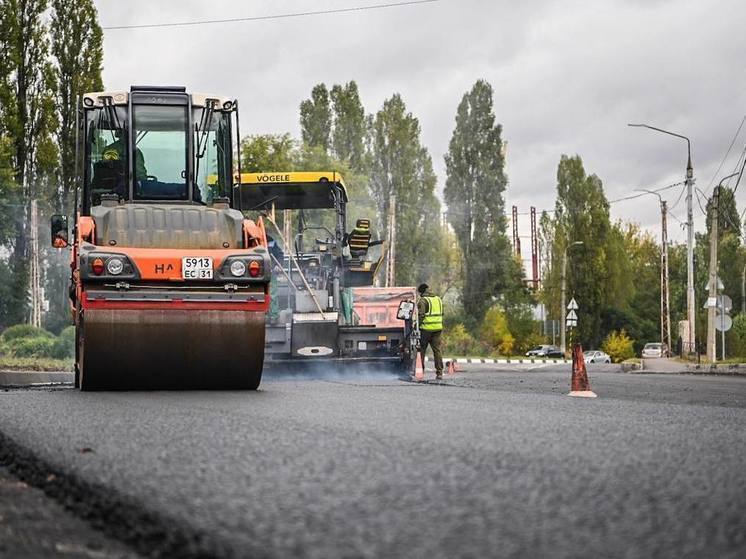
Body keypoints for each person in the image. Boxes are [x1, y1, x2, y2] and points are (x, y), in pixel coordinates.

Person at [417, 282, 444, 380]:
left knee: (421, 350)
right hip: (438, 329)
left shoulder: (423, 301)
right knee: (437, 350)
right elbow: (442, 313)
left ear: (422, 292)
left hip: (426, 329)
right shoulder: (438, 299)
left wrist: (416, 326)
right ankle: (439, 373)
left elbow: (421, 315)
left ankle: (420, 371)